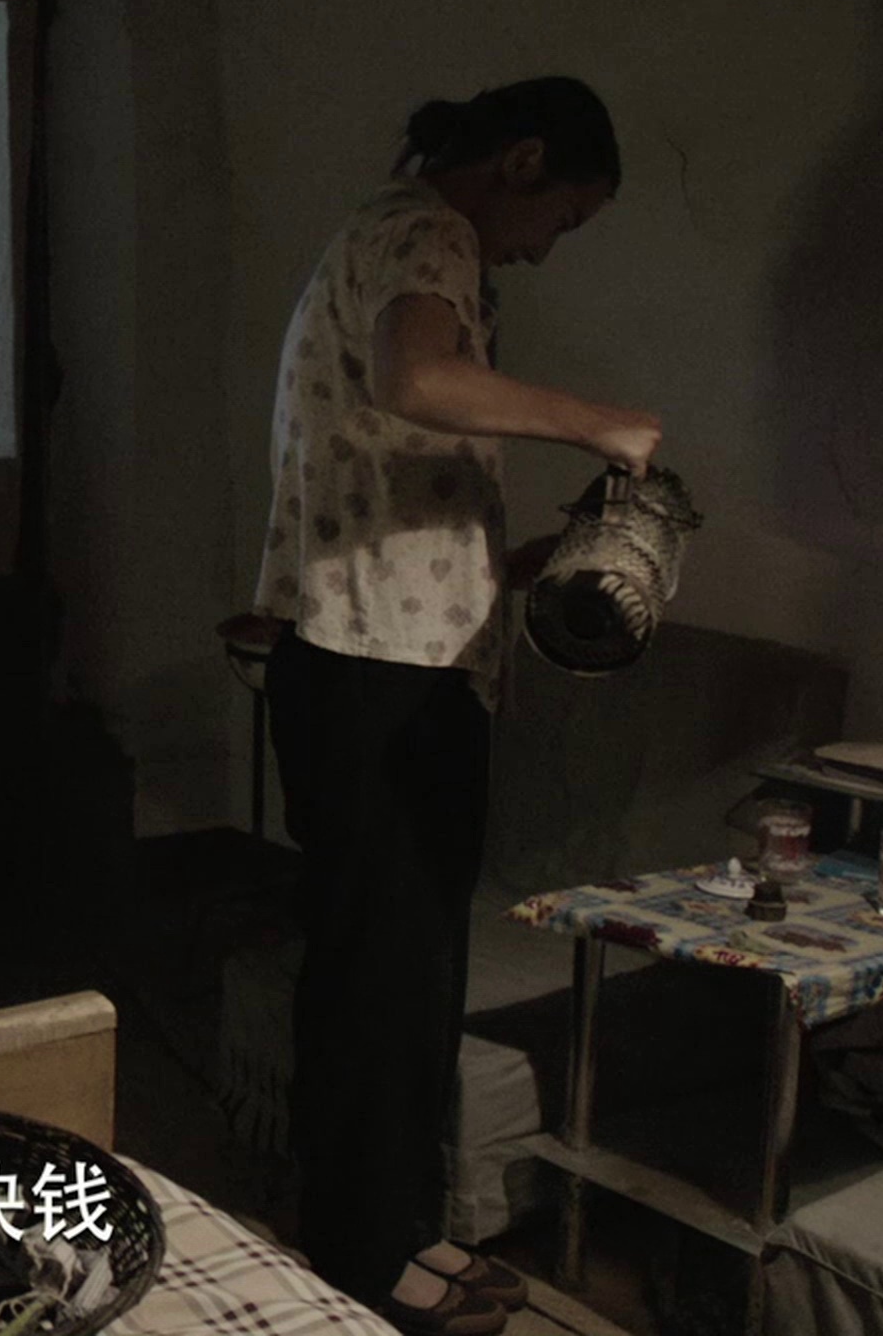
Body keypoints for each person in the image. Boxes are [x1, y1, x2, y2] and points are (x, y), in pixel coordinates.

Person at [253, 78, 661, 1333]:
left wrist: (516, 559)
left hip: (378, 660)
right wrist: (599, 424)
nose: (540, 249)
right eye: (561, 219)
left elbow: (395, 441)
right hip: (379, 671)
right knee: (386, 971)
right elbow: (418, 380)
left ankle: (387, 1228)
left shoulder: (385, 234)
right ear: (521, 162)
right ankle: (368, 1253)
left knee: (399, 965)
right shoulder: (428, 231)